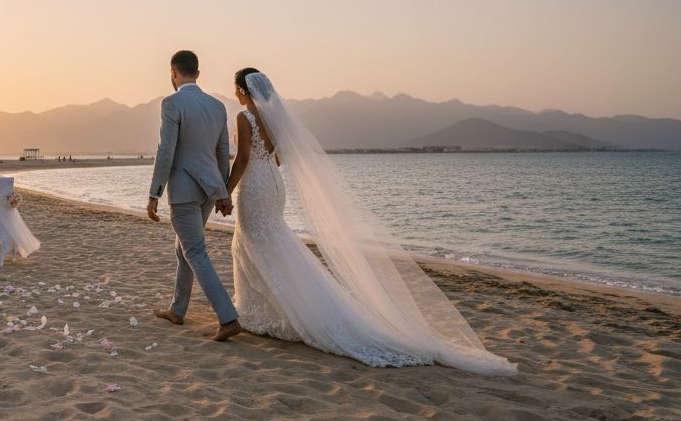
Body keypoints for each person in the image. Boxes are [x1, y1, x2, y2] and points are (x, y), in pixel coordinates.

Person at [226, 68, 516, 375]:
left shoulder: (246, 118)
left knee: (254, 240)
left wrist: (225, 190)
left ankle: (260, 313)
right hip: (273, 184)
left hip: (255, 185)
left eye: (235, 90)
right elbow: (280, 158)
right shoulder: (276, 119)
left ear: (242, 91)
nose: (235, 95)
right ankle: (265, 312)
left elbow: (243, 158)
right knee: (272, 242)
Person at [147, 50, 242, 342]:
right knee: (184, 249)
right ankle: (177, 310)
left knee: (194, 252)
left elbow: (167, 150)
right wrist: (221, 191)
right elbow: (222, 153)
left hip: (185, 192)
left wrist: (154, 193)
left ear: (173, 73)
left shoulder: (172, 103)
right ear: (197, 74)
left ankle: (227, 318)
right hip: (208, 191)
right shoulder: (216, 106)